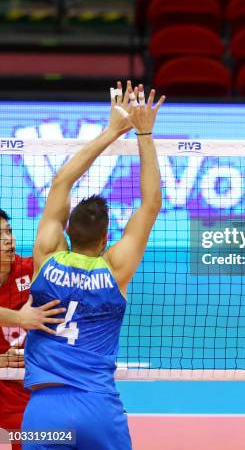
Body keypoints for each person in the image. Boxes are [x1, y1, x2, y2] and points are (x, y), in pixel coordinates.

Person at [21, 81, 164, 450]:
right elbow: (150, 205)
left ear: (66, 230)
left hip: (43, 408)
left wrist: (111, 130)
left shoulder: (47, 256)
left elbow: (60, 182)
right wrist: (143, 132)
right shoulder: (115, 269)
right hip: (98, 407)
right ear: (105, 241)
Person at [0, 209, 65, 449]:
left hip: (27, 386)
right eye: (0, 235)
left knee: (48, 437)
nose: (9, 239)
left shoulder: (31, 270)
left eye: (9, 231)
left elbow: (61, 254)